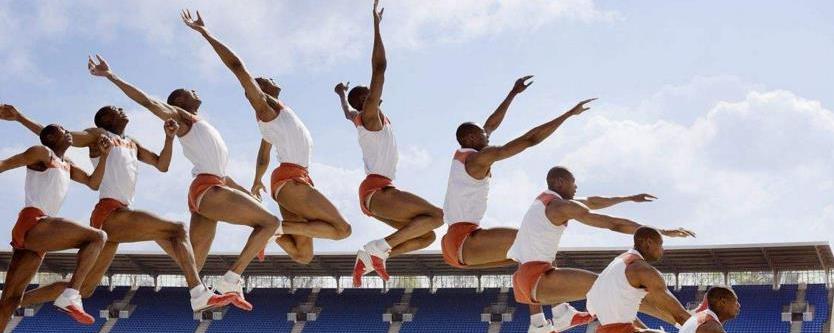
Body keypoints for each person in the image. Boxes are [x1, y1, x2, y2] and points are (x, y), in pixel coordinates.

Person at [87, 53, 278, 311]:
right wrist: (112, 76)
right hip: (208, 189)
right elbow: (147, 101)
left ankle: (195, 291)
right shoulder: (182, 116)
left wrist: (247, 193)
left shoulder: (202, 125)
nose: (195, 90)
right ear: (178, 101)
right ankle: (232, 280)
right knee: (271, 222)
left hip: (211, 186)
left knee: (193, 263)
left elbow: (222, 173)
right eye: (189, 90)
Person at [0, 104, 235, 312]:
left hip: (121, 215)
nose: (123, 110)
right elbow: (61, 137)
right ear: (107, 119)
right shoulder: (98, 136)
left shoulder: (132, 142)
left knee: (85, 288)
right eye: (116, 109)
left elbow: (162, 165)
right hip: (110, 213)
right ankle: (198, 293)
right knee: (177, 229)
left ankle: (11, 302)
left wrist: (169, 138)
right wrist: (20, 118)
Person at [180, 9, 352, 267]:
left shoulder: (272, 122)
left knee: (303, 255)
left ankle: (275, 231)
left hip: (290, 178)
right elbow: (237, 67)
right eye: (265, 79)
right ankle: (273, 228)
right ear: (258, 88)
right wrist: (206, 33)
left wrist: (257, 180)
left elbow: (264, 153)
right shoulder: (266, 108)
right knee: (342, 229)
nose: (273, 79)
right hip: (291, 179)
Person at [333, 0, 443, 287]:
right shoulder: (370, 115)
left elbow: (347, 113)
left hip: (375, 194)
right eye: (369, 92)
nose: (376, 92)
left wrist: (341, 94)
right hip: (378, 189)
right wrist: (376, 26)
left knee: (427, 235)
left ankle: (375, 256)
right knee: (437, 216)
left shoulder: (361, 117)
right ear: (365, 100)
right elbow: (379, 67)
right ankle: (376, 249)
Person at [508, 166, 696, 332]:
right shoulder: (559, 206)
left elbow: (592, 201)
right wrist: (661, 231)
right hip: (536, 277)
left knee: (610, 291)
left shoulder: (544, 201)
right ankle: (686, 322)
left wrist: (628, 198)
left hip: (526, 276)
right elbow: (613, 224)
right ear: (560, 182)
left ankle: (557, 315)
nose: (576, 187)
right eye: (573, 183)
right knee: (613, 289)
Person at [0, 122, 109, 328]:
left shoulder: (66, 163)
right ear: (50, 137)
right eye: (63, 130)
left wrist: (104, 155)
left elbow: (93, 183)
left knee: (11, 300)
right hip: (34, 221)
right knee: (98, 237)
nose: (69, 132)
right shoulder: (42, 152)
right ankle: (71, 295)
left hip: (41, 234)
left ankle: (70, 292)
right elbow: (6, 163)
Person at [586, 227, 692, 332]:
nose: (662, 249)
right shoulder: (643, 270)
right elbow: (680, 316)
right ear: (649, 243)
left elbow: (620, 317)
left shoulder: (617, 263)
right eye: (660, 244)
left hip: (600, 326)